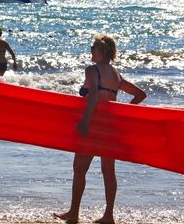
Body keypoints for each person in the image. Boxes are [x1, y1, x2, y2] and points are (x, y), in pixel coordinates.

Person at [54, 34, 146, 224]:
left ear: (102, 51)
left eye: (93, 47)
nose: (90, 50)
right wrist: (122, 113)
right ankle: (108, 216)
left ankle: (73, 214)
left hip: (94, 123)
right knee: (108, 171)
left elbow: (94, 95)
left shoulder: (91, 70)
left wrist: (86, 121)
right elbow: (140, 95)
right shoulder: (115, 74)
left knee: (79, 169)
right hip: (110, 126)